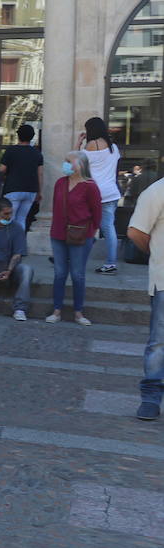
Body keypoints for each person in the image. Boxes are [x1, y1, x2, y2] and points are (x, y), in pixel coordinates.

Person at [47, 150, 101, 325]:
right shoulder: (60, 183)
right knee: (59, 273)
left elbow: (97, 214)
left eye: (69, 161)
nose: (65, 164)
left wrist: (90, 234)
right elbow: (55, 208)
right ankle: (56, 310)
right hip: (58, 234)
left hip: (80, 235)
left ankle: (78, 312)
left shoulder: (90, 186)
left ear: (80, 165)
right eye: (65, 161)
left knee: (77, 275)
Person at [127, 176, 164, 421]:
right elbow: (135, 232)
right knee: (159, 343)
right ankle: (150, 398)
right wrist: (156, 255)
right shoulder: (157, 191)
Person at [80, 117, 123, 274]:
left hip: (95, 194)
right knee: (108, 228)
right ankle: (111, 262)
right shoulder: (114, 148)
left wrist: (79, 142)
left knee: (84, 225)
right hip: (112, 193)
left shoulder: (92, 146)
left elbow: (74, 162)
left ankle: (73, 257)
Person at [0, 123, 42, 230]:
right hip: (30, 190)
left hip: (13, 189)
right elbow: (40, 174)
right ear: (32, 137)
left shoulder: (11, 150)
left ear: (18, 135)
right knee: (21, 219)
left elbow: (2, 169)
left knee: (9, 218)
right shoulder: (37, 153)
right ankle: (19, 243)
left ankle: (8, 245)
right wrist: (39, 192)